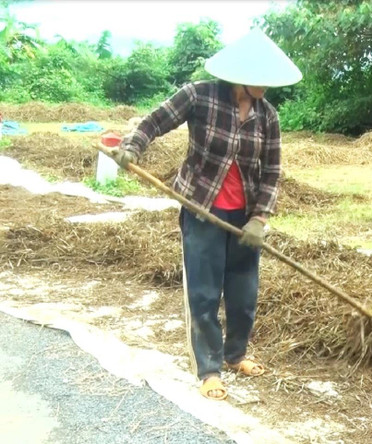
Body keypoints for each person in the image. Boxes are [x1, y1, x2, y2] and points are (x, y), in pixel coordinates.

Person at [113, 28, 302, 401]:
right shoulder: (199, 95)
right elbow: (155, 121)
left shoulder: (268, 117)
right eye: (257, 77)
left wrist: (260, 219)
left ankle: (235, 356)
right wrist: (133, 148)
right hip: (202, 209)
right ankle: (209, 369)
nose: (265, 85)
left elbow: (272, 171)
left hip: (244, 220)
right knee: (203, 292)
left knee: (243, 292)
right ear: (238, 73)